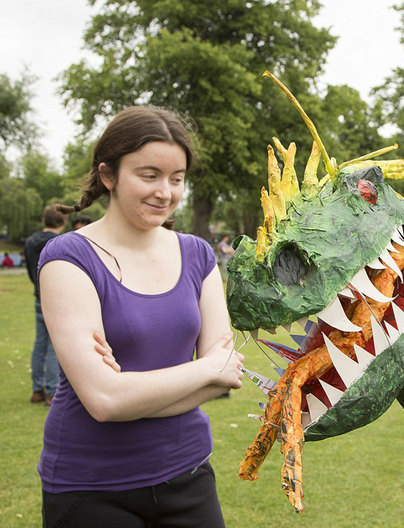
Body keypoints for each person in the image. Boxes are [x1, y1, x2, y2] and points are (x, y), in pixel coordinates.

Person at [38, 106, 244, 528]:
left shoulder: (198, 255)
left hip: (189, 473)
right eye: (149, 175)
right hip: (91, 489)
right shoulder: (67, 258)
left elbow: (224, 381)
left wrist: (130, 393)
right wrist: (203, 369)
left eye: (177, 178)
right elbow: (104, 401)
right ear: (108, 175)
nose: (165, 192)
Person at [24, 206, 68, 405]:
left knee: (40, 344)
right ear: (63, 221)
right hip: (56, 298)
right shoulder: (60, 243)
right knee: (53, 346)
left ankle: (37, 389)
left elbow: (29, 270)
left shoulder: (30, 241)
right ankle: (52, 391)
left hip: (38, 296)